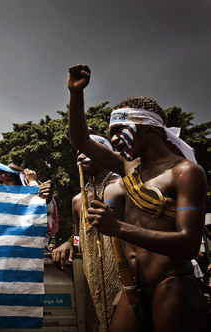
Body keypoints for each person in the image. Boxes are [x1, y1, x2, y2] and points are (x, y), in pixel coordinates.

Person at [67, 64, 209, 331]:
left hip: (172, 285)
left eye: (121, 129)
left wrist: (119, 228)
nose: (114, 138)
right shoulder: (130, 169)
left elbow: (188, 244)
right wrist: (76, 94)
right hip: (133, 288)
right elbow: (81, 140)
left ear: (149, 127)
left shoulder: (185, 172)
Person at [52, 135, 124, 332]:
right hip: (92, 282)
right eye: (78, 153)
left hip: (125, 280)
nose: (82, 156)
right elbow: (79, 237)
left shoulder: (122, 187)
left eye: (88, 150)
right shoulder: (78, 200)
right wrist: (68, 243)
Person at [0, 140, 58, 236]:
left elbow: (41, 209)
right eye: (0, 182)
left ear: (18, 182)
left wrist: (33, 183)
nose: (4, 185)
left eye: (9, 180)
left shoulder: (25, 201)